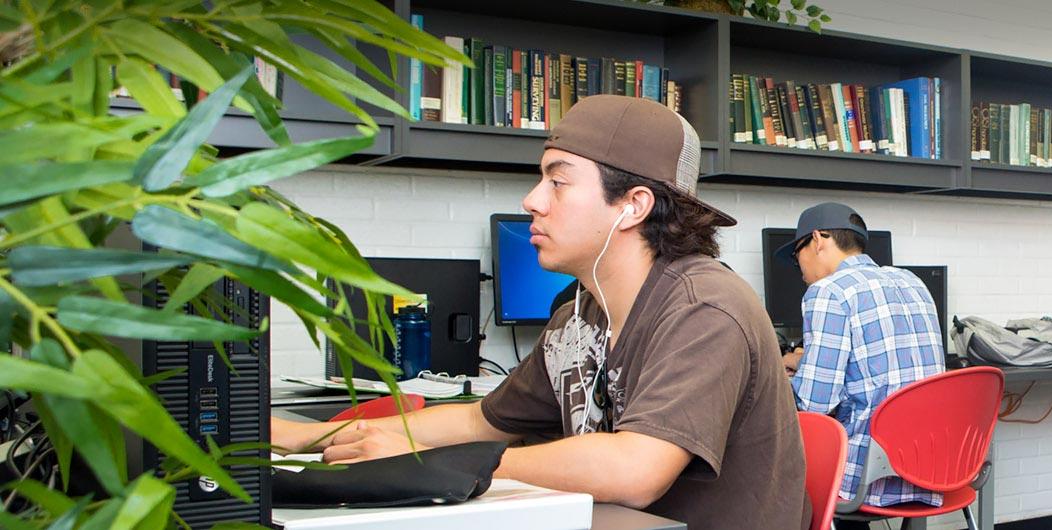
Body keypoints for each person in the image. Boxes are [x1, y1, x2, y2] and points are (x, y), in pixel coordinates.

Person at [271, 95, 809, 529]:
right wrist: (308, 438)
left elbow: (634, 469)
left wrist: (432, 467)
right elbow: (480, 421)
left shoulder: (703, 307)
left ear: (633, 206)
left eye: (558, 179)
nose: (532, 199)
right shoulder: (581, 313)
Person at [775, 202, 945, 528]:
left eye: (797, 255)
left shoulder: (826, 292)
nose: (798, 267)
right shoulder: (912, 281)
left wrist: (776, 378)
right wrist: (805, 360)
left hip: (867, 476)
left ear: (818, 239)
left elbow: (814, 402)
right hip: (931, 467)